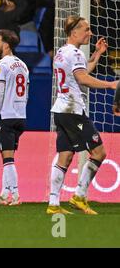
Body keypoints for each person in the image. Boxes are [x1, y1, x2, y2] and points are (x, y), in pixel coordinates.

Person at [47, 15, 118, 215]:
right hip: (73, 111)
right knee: (99, 153)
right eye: (86, 29)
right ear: (74, 32)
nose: (90, 33)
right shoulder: (75, 53)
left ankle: (53, 203)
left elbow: (80, 72)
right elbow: (83, 79)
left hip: (61, 110)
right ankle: (79, 195)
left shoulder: (62, 52)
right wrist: (111, 84)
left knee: (65, 156)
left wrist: (96, 54)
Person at [0, 29, 29, 206]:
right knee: (7, 157)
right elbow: (27, 93)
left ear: (6, 45)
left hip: (7, 116)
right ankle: (4, 194)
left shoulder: (1, 65)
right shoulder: (23, 65)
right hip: (20, 116)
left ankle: (16, 196)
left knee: (7, 159)